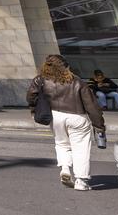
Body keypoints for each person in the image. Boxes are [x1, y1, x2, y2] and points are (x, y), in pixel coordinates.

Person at [27, 55, 105, 192]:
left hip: (55, 116)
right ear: (66, 66)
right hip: (77, 117)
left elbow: (31, 96)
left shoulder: (40, 80)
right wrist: (99, 126)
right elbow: (92, 106)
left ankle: (65, 168)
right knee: (80, 148)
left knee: (62, 144)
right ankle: (81, 181)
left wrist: (34, 111)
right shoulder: (77, 81)